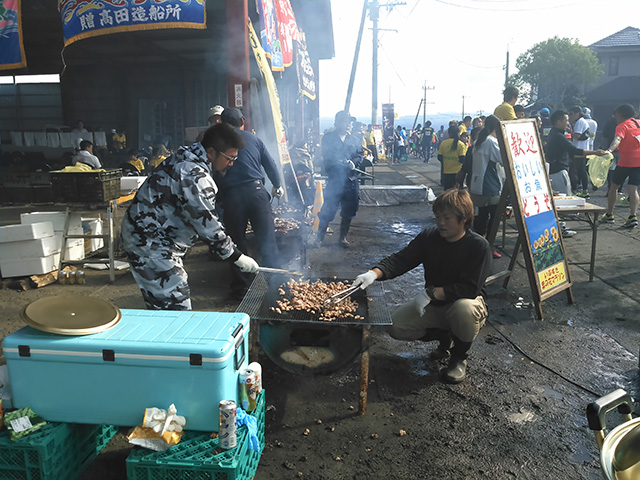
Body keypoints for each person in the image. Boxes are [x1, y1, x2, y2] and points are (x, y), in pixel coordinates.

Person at [352, 188, 491, 384]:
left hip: (465, 304)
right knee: (396, 326)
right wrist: (373, 273)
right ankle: (445, 334)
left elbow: (470, 289)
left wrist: (431, 293)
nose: (440, 222)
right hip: (436, 304)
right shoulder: (430, 237)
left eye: (447, 218)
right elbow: (402, 259)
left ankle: (459, 358)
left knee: (463, 309)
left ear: (464, 219)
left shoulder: (478, 246)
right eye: (438, 216)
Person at [121, 123, 259, 310]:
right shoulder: (194, 176)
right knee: (175, 307)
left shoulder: (190, 156)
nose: (231, 164)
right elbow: (208, 226)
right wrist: (237, 256)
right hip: (150, 242)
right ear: (211, 153)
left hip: (156, 237)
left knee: (167, 304)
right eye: (229, 158)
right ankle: (171, 338)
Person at [217, 107, 284, 298]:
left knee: (236, 243)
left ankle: (240, 289)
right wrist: (277, 185)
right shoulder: (254, 139)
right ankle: (277, 287)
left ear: (221, 123)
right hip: (257, 194)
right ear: (243, 121)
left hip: (231, 197)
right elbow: (270, 164)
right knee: (267, 241)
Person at [545, 110, 606, 236]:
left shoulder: (554, 134)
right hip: (558, 171)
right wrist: (595, 152)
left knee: (558, 201)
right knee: (561, 202)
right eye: (566, 120)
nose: (568, 123)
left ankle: (558, 227)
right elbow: (574, 151)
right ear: (558, 121)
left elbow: (571, 153)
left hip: (555, 169)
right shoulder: (558, 136)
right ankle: (560, 229)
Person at [316, 110, 363, 247]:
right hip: (335, 180)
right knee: (327, 210)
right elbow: (328, 155)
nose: (348, 124)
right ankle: (319, 238)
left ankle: (342, 238)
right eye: (345, 121)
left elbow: (359, 154)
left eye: (349, 122)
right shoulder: (328, 137)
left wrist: (354, 162)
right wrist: (340, 162)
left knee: (349, 210)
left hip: (351, 181)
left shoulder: (354, 138)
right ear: (337, 123)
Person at [467, 115, 505, 259]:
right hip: (489, 186)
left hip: (479, 184)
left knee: (482, 217)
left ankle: (479, 246)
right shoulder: (491, 141)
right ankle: (488, 247)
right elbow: (503, 159)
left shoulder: (479, 141)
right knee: (493, 218)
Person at [601, 103, 640, 228]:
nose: (615, 116)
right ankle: (632, 216)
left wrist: (610, 150)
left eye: (616, 113)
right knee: (633, 189)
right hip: (638, 162)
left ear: (621, 114)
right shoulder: (638, 123)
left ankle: (609, 214)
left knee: (614, 187)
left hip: (625, 162)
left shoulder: (622, 126)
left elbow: (617, 139)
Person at [568, 106, 592, 198]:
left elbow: (577, 136)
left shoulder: (579, 122)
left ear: (577, 113)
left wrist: (568, 131)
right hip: (582, 149)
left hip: (579, 150)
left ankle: (577, 190)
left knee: (575, 171)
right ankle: (584, 190)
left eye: (571, 114)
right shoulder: (582, 121)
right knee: (581, 171)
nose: (570, 116)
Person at [438, 125, 467, 190]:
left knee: (448, 192)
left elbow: (439, 157)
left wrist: (446, 161)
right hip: (458, 172)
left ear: (449, 133)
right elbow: (462, 159)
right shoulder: (461, 144)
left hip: (446, 172)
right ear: (458, 133)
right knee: (457, 192)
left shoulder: (443, 143)